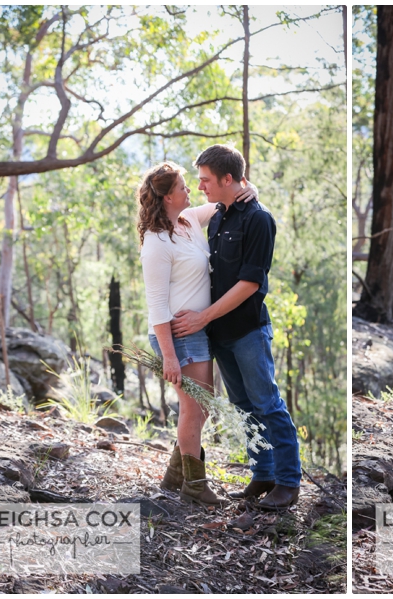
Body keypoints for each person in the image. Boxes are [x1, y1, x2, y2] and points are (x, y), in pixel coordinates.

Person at [171, 144, 301, 510]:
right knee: (243, 405)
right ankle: (263, 472)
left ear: (228, 179)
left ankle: (289, 482)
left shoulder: (259, 219)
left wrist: (202, 317)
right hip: (220, 334)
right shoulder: (220, 214)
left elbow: (250, 283)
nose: (201, 187)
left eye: (206, 180)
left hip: (247, 332)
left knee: (267, 403)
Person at [137, 161, 256, 507]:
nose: (191, 190)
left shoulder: (188, 222)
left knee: (199, 408)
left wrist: (253, 189)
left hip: (197, 330)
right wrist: (169, 356)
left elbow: (225, 201)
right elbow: (156, 304)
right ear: (168, 197)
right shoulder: (157, 243)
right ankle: (194, 486)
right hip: (175, 336)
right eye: (183, 187)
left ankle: (176, 476)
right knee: (194, 409)